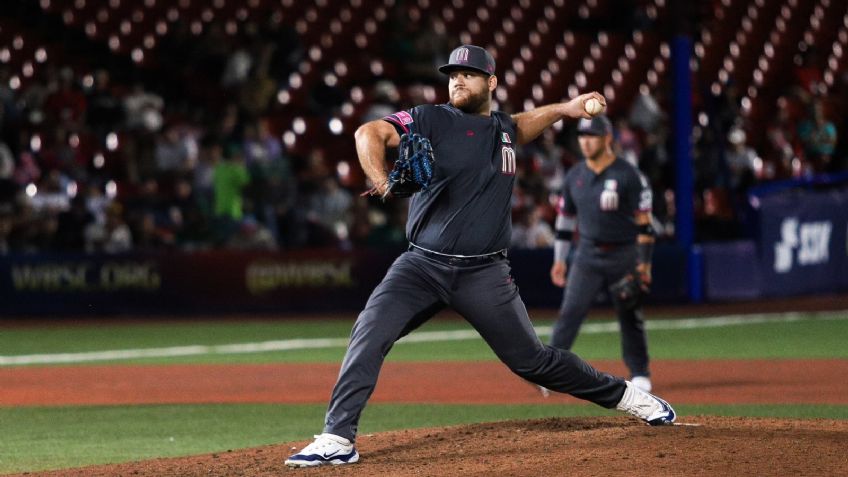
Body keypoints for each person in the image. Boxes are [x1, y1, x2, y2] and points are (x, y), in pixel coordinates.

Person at [285, 45, 676, 468]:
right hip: (421, 266)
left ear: (490, 82)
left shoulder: (502, 130)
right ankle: (338, 437)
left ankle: (628, 395)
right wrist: (382, 183)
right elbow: (368, 133)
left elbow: (523, 125)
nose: (457, 80)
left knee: (533, 362)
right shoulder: (429, 119)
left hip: (485, 273)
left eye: (468, 74)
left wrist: (566, 108)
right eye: (452, 73)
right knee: (370, 331)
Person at [548, 114, 656, 393]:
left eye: (592, 136)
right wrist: (559, 259)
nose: (585, 142)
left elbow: (645, 224)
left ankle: (640, 371)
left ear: (607, 138)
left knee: (630, 313)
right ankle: (548, 371)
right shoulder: (575, 175)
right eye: (582, 136)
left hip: (623, 253)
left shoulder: (628, 174)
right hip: (586, 255)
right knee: (570, 312)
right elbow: (565, 222)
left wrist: (644, 266)